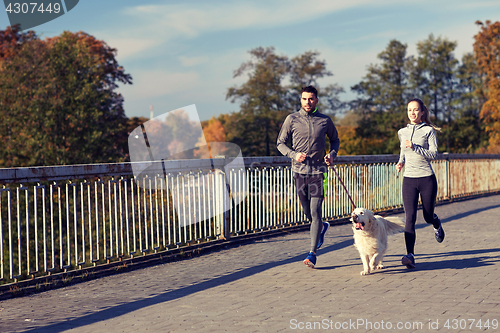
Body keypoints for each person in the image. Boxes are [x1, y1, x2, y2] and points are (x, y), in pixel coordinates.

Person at [277, 85, 340, 268]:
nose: (307, 102)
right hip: (299, 171)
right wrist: (294, 154)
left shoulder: (325, 121)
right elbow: (280, 143)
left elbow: (335, 140)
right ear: (300, 100)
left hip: (319, 172)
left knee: (315, 211)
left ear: (316, 100)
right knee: (307, 212)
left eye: (311, 98)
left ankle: (312, 253)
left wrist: (332, 155)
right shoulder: (292, 119)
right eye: (304, 99)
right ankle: (321, 227)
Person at [396, 98, 445, 269]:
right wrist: (400, 162)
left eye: (416, 110)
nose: (412, 113)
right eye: (410, 110)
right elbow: (403, 151)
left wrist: (415, 146)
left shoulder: (428, 131)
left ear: (422, 112)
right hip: (409, 179)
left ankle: (436, 222)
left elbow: (434, 154)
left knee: (427, 215)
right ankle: (410, 254)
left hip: (426, 178)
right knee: (410, 217)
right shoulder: (402, 132)